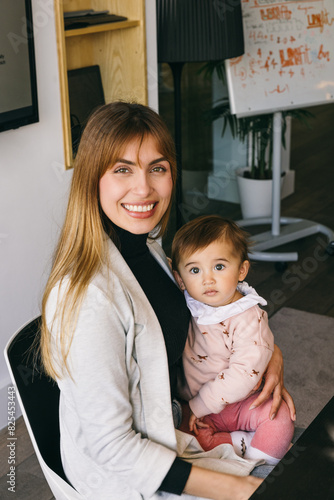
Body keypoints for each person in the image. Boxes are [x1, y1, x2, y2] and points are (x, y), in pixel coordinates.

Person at [40, 102, 295, 500]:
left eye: (157, 168)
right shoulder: (88, 297)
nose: (144, 188)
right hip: (132, 479)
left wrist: (271, 354)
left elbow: (203, 320)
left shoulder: (153, 252)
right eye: (122, 169)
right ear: (93, 179)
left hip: (176, 425)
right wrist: (240, 488)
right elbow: (112, 447)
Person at [171, 215, 295, 465]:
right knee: (177, 434)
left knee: (280, 416)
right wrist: (194, 408)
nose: (207, 279)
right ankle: (233, 443)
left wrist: (199, 405)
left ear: (241, 270)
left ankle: (257, 456)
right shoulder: (191, 300)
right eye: (195, 270)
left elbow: (243, 374)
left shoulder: (249, 317)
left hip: (245, 402)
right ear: (180, 279)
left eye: (219, 267)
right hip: (197, 407)